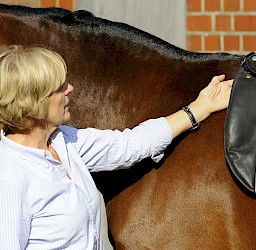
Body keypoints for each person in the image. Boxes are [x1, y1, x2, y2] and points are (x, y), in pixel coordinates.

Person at [0, 45, 233, 249]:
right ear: (34, 102)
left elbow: (130, 144)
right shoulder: (9, 179)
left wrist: (199, 108)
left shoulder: (65, 142)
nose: (70, 88)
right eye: (60, 87)